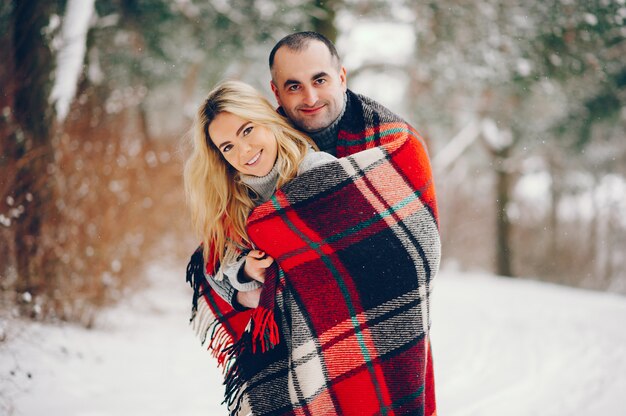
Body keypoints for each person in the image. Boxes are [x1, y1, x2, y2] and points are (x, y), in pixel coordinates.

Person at [185, 32, 440, 416]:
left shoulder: (390, 145)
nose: (309, 97)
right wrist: (247, 277)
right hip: (300, 356)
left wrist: (286, 284)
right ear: (276, 95)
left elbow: (414, 254)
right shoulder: (239, 192)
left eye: (319, 80)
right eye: (294, 86)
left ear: (342, 75)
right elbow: (215, 270)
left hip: (377, 335)